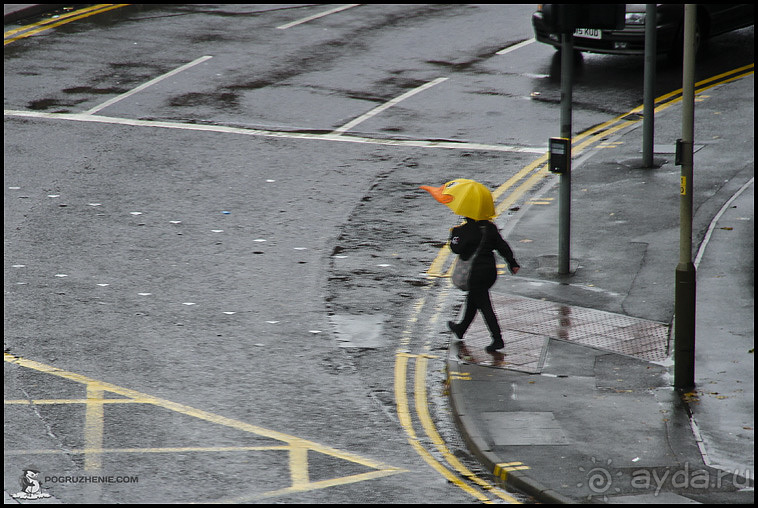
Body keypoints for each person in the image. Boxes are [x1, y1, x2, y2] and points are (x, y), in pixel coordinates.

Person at [447, 217, 519, 353]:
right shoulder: (490, 228)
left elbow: (456, 248)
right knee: (474, 299)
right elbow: (502, 246)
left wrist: (454, 234)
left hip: (474, 274)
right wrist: (512, 263)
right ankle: (461, 329)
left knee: (485, 306)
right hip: (489, 272)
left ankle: (498, 339)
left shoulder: (465, 230)